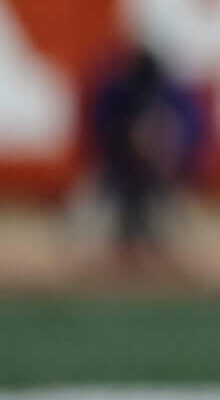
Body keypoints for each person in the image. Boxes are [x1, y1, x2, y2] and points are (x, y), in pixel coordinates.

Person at [81, 40, 210, 273]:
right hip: (118, 173)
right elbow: (99, 133)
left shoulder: (171, 97)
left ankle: (164, 254)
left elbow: (191, 138)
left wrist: (163, 153)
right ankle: (116, 253)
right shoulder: (118, 95)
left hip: (162, 176)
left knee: (172, 217)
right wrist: (126, 145)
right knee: (98, 209)